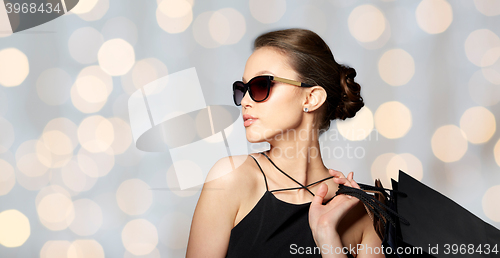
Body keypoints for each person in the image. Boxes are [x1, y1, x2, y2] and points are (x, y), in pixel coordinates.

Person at [186, 28, 384, 258]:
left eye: (261, 85)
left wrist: (327, 236)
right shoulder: (231, 177)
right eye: (243, 90)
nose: (246, 101)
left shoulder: (364, 209)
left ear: (311, 98)